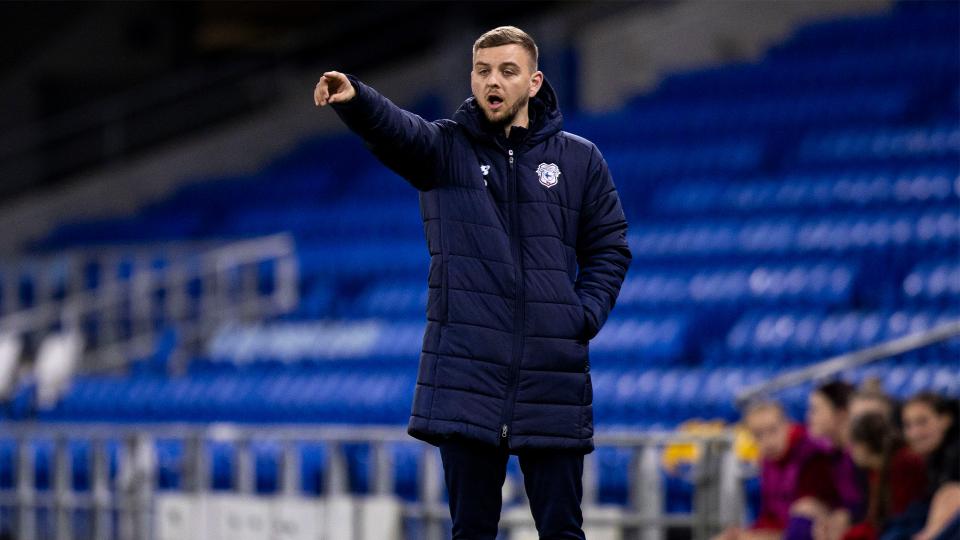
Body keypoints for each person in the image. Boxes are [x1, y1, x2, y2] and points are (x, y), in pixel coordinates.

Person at [314, 26, 632, 539]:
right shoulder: (445, 150)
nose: (493, 81)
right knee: (471, 531)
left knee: (562, 530)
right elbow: (398, 131)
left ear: (534, 81)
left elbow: (609, 247)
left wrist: (580, 316)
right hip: (466, 378)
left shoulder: (579, 159)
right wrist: (356, 99)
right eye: (483, 71)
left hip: (550, 376)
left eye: (508, 71)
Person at [715, 400, 847, 540]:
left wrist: (753, 537)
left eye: (773, 430)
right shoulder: (767, 461)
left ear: (787, 425)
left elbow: (804, 525)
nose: (767, 441)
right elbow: (770, 516)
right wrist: (745, 534)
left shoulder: (812, 455)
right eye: (758, 435)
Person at [841, 412, 927, 540]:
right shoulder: (875, 471)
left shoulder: (903, 463)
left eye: (853, 445)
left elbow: (902, 513)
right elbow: (874, 519)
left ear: (864, 446)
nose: (850, 451)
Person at [805, 381, 868, 537]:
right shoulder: (833, 456)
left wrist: (848, 516)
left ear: (841, 414)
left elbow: (874, 504)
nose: (808, 417)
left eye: (815, 410)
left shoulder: (861, 455)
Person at [900, 393, 960, 540]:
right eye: (908, 425)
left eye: (922, 422)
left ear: (946, 420)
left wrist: (930, 533)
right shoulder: (931, 458)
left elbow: (952, 493)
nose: (915, 433)